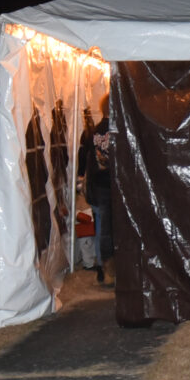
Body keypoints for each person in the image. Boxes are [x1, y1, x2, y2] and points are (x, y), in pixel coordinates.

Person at [78, 94, 114, 286]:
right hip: (111, 187)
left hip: (96, 186)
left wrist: (81, 179)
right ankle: (110, 269)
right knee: (111, 229)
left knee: (101, 227)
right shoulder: (119, 131)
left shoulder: (93, 131)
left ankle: (101, 267)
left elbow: (82, 156)